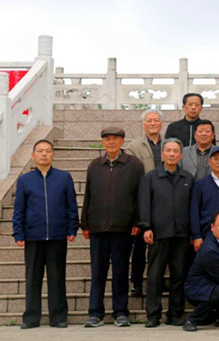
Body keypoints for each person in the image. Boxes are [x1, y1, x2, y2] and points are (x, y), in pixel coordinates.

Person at [81, 127, 144, 328]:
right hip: (98, 228)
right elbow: (88, 196)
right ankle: (95, 312)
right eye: (107, 139)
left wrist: (137, 222)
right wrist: (85, 223)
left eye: (115, 139)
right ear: (102, 142)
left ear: (122, 141)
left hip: (123, 228)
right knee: (97, 272)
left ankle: (120, 312)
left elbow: (139, 197)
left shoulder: (134, 165)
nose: (111, 143)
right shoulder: (94, 166)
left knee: (120, 271)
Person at [12, 139, 79, 329]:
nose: (44, 154)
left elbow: (71, 206)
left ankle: (58, 317)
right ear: (33, 155)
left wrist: (72, 228)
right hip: (33, 237)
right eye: (40, 151)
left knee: (57, 278)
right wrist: (19, 233)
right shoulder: (25, 180)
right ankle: (31, 318)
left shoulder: (64, 177)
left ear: (53, 155)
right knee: (32, 278)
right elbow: (19, 210)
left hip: (58, 236)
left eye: (47, 151)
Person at [138, 138, 194, 328]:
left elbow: (191, 207)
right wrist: (146, 227)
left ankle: (175, 313)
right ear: (162, 154)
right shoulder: (151, 177)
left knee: (179, 275)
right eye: (168, 151)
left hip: (181, 234)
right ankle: (153, 314)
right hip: (158, 234)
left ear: (180, 155)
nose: (171, 154)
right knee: (155, 275)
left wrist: (192, 231)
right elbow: (144, 204)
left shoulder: (187, 178)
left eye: (175, 151)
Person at [124, 109, 164, 297]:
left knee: (162, 247)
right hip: (142, 200)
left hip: (164, 201)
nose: (153, 123)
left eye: (156, 120)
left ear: (161, 123)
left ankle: (159, 280)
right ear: (143, 124)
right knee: (139, 246)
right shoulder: (134, 146)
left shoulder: (169, 144)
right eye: (149, 120)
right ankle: (137, 283)